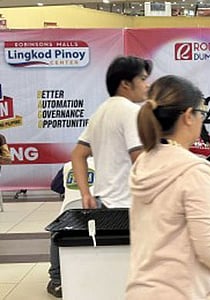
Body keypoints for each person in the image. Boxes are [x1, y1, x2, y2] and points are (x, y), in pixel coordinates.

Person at [125, 75, 210, 299]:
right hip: (186, 290)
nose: (202, 121)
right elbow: (209, 244)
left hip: (145, 289)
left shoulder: (145, 163)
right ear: (188, 116)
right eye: (202, 114)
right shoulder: (195, 171)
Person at [46, 55, 152, 298]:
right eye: (143, 79)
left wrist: (85, 193)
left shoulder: (101, 111)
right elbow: (141, 160)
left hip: (105, 204)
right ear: (126, 84)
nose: (147, 85)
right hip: (129, 207)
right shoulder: (130, 111)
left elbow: (78, 154)